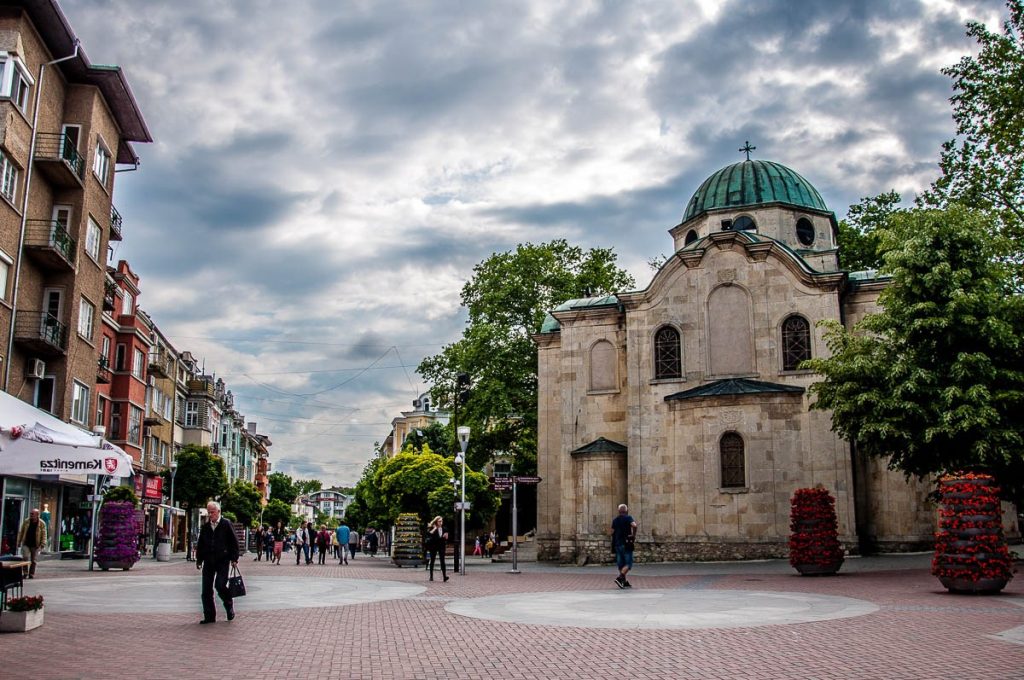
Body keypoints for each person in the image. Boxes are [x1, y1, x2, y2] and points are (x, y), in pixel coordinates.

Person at [195, 501, 240, 623]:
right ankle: (209, 616)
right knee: (206, 590)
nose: (210, 515)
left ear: (218, 512)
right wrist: (199, 559)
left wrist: (234, 558)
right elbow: (201, 544)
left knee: (220, 585)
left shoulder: (226, 524)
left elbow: (234, 542)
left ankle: (228, 604)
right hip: (208, 561)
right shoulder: (206, 527)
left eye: (212, 512)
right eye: (209, 512)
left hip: (222, 560)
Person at [611, 503, 637, 589]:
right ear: (626, 511)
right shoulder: (628, 518)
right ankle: (620, 577)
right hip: (626, 544)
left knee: (621, 564)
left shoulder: (615, 520)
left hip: (617, 544)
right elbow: (634, 525)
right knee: (628, 564)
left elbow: (612, 532)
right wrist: (633, 535)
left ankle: (624, 582)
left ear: (619, 511)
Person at [17, 508, 47, 578]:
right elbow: (21, 532)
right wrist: (19, 541)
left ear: (37, 515)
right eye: (30, 514)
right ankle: (25, 573)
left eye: (32, 514)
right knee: (25, 557)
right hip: (26, 543)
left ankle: (31, 574)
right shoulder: (26, 521)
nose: (31, 515)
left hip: (35, 544)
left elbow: (44, 534)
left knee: (33, 560)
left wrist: (43, 544)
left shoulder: (42, 523)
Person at [425, 516, 449, 582]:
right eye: (439, 521)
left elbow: (446, 538)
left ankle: (444, 576)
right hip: (434, 546)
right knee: (432, 560)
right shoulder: (433, 528)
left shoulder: (444, 528)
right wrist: (435, 528)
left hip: (441, 546)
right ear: (436, 522)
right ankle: (431, 576)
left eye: (442, 521)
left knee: (442, 561)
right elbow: (428, 534)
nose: (441, 522)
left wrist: (446, 536)